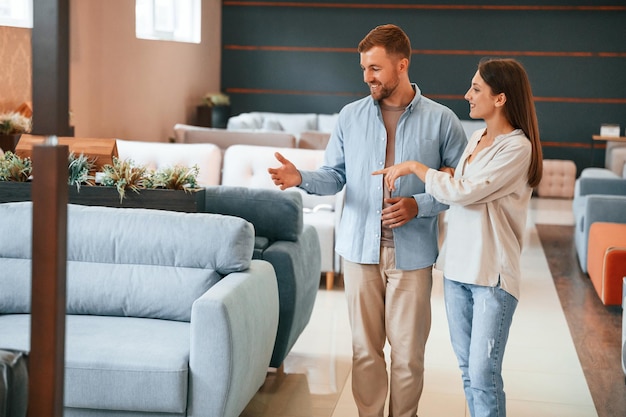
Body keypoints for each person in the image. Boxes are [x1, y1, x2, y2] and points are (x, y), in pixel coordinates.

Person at [268, 24, 467, 417]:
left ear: (402, 64)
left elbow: (459, 183)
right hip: (359, 253)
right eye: (363, 68)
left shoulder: (442, 121)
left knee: (409, 356)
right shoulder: (350, 117)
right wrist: (301, 178)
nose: (367, 77)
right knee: (365, 352)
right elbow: (335, 175)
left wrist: (418, 204)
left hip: (413, 257)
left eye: (375, 68)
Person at [373, 57, 543, 417]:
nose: (468, 94)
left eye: (477, 88)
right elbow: (452, 192)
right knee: (468, 371)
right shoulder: (476, 138)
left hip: (491, 279)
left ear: (500, 98)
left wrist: (419, 169)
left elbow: (464, 191)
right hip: (457, 273)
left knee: (483, 375)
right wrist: (428, 194)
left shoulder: (517, 148)